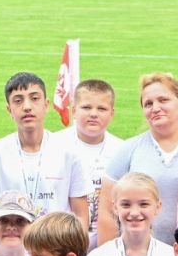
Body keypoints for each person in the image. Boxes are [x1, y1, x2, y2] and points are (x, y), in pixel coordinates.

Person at [0, 73, 90, 227]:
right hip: (10, 240)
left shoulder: (69, 152)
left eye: (34, 98)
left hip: (56, 241)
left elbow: (81, 217)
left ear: (46, 105)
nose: (27, 107)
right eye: (18, 101)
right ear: (9, 110)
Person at [101, 73, 178, 247]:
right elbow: (107, 211)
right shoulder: (129, 149)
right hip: (140, 254)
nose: (156, 108)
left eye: (163, 100)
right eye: (148, 104)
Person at [53, 79, 127, 241]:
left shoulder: (122, 150)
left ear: (112, 113)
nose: (93, 114)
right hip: (62, 240)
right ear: (74, 111)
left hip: (107, 240)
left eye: (102, 108)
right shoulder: (54, 145)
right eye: (86, 107)